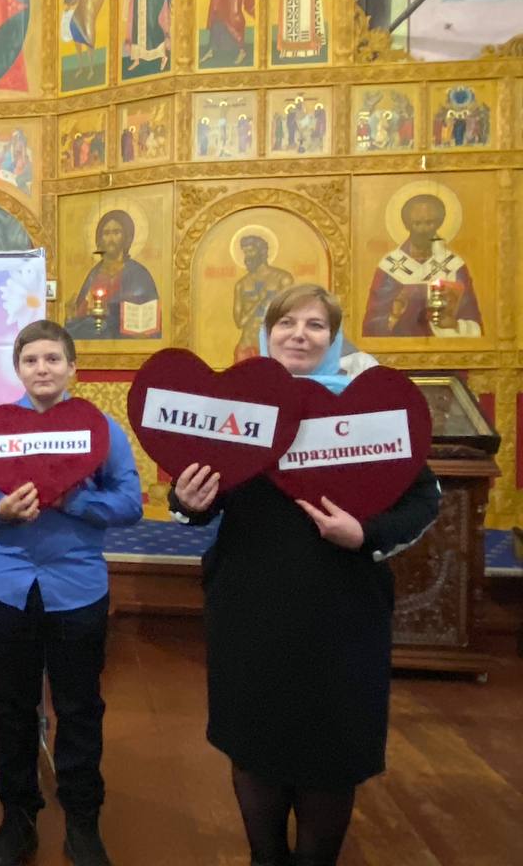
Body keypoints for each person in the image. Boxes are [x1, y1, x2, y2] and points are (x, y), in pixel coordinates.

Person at [170, 285, 441, 866]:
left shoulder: (369, 414)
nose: (299, 334)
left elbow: (424, 500)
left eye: (316, 325)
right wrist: (188, 501)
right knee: (254, 747)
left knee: (330, 755)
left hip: (342, 613)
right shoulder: (239, 409)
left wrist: (364, 533)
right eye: (286, 322)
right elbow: (201, 499)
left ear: (334, 339)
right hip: (250, 610)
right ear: (267, 334)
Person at [0, 320, 142, 866]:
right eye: (31, 359)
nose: (43, 368)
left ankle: (83, 821)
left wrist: (73, 502)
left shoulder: (100, 430)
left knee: (79, 707)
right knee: (12, 706)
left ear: (72, 367)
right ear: (18, 368)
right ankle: (17, 818)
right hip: (9, 586)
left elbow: (130, 502)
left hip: (78, 589)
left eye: (53, 359)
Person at [361, 192, 482, 337]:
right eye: (417, 223)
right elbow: (373, 325)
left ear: (439, 223)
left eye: (429, 223)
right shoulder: (390, 265)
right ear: (407, 224)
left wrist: (455, 325)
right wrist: (394, 315)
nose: (423, 230)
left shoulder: (453, 265)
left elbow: (473, 321)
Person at [66, 209, 160, 340]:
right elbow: (80, 316)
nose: (111, 239)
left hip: (129, 340)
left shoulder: (138, 273)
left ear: (126, 238)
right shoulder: (94, 275)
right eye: (106, 233)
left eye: (116, 232)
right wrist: (72, 315)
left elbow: (149, 314)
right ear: (99, 239)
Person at [232, 233, 293, 361]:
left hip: (272, 347)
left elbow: (289, 315)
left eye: (251, 251)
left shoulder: (282, 279)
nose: (247, 256)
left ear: (262, 251)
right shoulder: (242, 284)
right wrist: (259, 301)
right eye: (245, 252)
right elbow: (238, 322)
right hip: (246, 345)